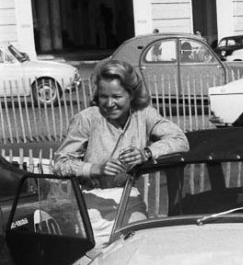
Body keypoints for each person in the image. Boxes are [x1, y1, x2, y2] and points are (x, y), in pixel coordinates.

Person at [54, 59, 189, 246]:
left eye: (117, 96)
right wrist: (95, 168)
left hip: (129, 200)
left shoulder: (144, 115)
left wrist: (147, 153)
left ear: (131, 94)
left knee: (138, 254)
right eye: (103, 96)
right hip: (92, 206)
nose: (109, 103)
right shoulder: (87, 119)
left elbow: (179, 140)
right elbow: (60, 163)